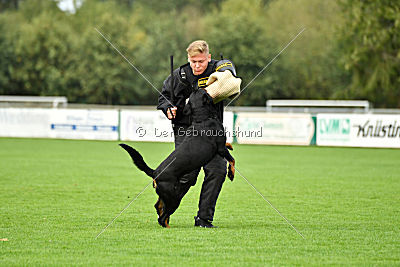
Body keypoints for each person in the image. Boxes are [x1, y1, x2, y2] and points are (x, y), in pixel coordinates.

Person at [157, 40, 230, 228]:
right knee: (188, 176)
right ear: (188, 59)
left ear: (209, 58)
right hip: (184, 129)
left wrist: (226, 72)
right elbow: (163, 97)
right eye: (193, 61)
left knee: (218, 170)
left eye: (201, 61)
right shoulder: (179, 74)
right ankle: (165, 205)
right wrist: (168, 109)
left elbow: (231, 71)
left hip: (209, 131)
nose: (197, 66)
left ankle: (204, 219)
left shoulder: (218, 69)